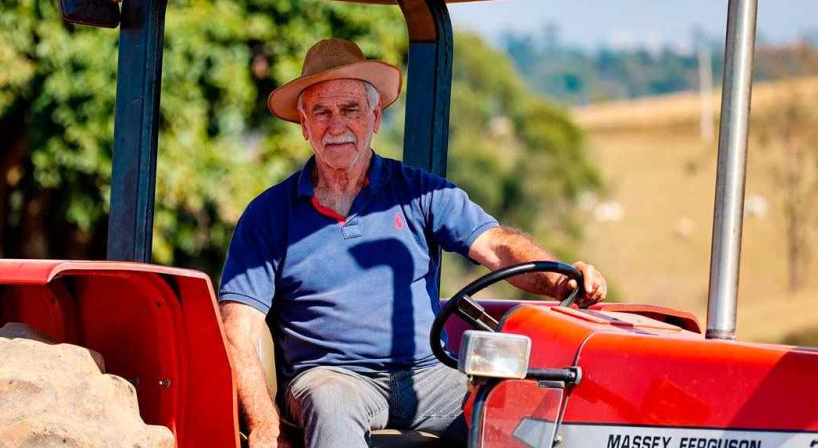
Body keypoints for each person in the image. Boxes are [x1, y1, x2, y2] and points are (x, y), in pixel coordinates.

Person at [219, 38, 607, 448]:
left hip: (427, 373)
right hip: (333, 375)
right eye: (321, 112)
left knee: (512, 406)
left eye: (350, 109)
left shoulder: (419, 193)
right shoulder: (268, 214)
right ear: (304, 125)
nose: (336, 126)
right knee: (330, 402)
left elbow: (497, 245)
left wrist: (560, 280)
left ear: (374, 118)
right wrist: (264, 422)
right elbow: (238, 328)